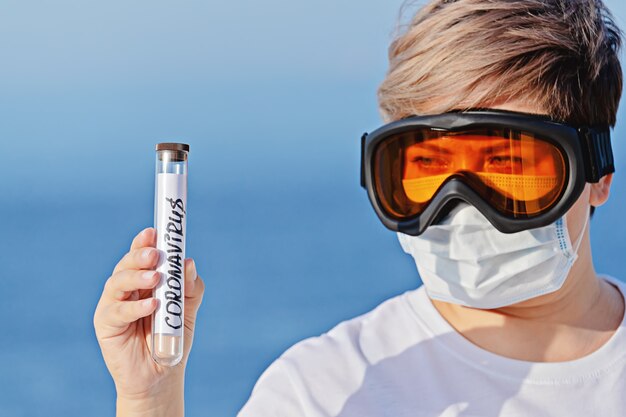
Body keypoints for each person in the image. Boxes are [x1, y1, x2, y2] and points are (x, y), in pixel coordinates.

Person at [93, 0, 626, 415]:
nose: (464, 206)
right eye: (428, 168)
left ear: (596, 173)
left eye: (508, 164)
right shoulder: (324, 390)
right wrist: (149, 401)